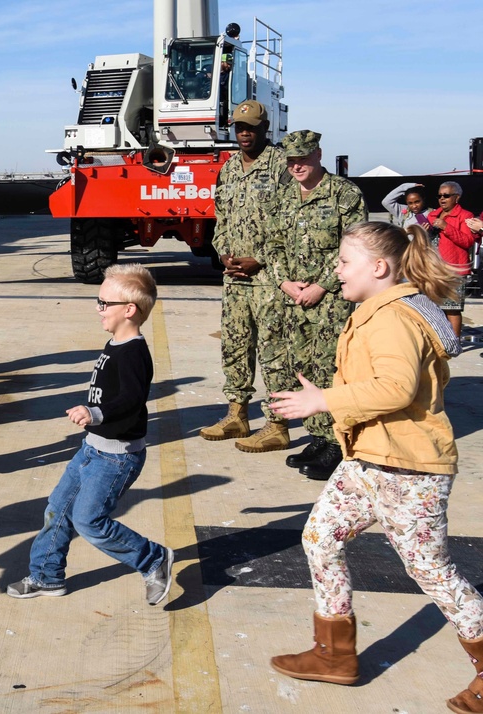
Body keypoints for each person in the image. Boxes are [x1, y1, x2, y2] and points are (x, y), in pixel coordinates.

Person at [267, 221, 483, 713]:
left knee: (430, 571)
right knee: (321, 537)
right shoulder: (377, 308)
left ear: (379, 268)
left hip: (409, 467)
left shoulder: (391, 318)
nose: (336, 271)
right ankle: (334, 654)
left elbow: (396, 388)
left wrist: (323, 401)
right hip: (367, 460)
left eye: (345, 263)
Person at [6, 264, 173, 604]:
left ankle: (153, 559)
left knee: (89, 521)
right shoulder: (115, 343)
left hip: (116, 457)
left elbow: (131, 400)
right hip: (92, 449)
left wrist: (95, 412)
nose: (97, 309)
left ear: (129, 310)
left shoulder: (134, 354)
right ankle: (45, 576)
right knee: (58, 510)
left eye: (103, 303)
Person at [265, 130, 367, 480]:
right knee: (301, 366)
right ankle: (319, 435)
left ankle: (338, 441)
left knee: (330, 366)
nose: (296, 166)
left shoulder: (345, 194)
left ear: (319, 154)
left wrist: (322, 285)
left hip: (333, 298)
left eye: (303, 159)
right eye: (291, 160)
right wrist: (283, 281)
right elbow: (272, 243)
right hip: (293, 297)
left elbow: (354, 246)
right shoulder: (282, 196)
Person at [201, 100, 289, 455]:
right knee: (235, 345)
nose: (244, 133)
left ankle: (278, 424)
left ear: (265, 128)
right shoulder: (230, 168)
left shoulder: (283, 166)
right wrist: (223, 252)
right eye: (239, 127)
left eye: (250, 127)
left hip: (270, 277)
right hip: (235, 276)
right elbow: (221, 218)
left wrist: (261, 260)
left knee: (274, 351)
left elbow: (291, 224)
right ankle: (237, 414)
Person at [427, 181, 475, 338]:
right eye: (440, 196)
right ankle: (439, 339)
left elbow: (467, 241)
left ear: (457, 198)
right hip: (434, 269)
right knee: (434, 307)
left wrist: (446, 227)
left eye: (446, 196)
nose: (442, 199)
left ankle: (454, 342)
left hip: (453, 270)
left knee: (452, 309)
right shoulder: (432, 215)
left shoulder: (465, 216)